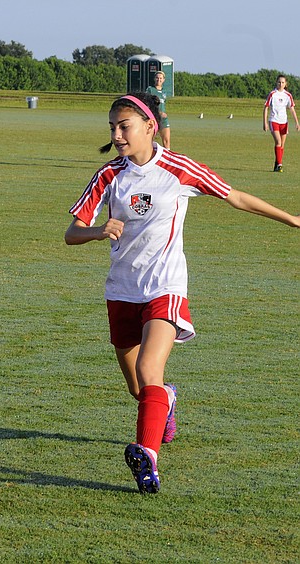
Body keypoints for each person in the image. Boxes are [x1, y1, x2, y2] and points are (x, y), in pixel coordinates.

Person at [65, 91, 300, 494]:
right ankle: (166, 400)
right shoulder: (109, 174)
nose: (118, 135)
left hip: (165, 286)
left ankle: (147, 458)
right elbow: (71, 233)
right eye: (112, 128)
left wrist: (291, 218)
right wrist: (97, 231)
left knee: (147, 371)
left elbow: (235, 196)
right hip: (122, 290)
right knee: (141, 391)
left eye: (125, 127)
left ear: (149, 127)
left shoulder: (179, 168)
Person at [263, 75, 300, 172]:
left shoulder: (288, 95)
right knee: (278, 142)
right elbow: (266, 107)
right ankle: (280, 164)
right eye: (279, 82)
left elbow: (292, 109)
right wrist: (265, 122)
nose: (281, 84)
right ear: (276, 82)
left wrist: (297, 122)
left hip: (284, 122)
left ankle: (276, 164)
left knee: (282, 145)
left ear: (285, 84)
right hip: (274, 120)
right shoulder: (272, 94)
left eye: (283, 82)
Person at [145, 71, 169, 148]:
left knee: (166, 141)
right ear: (154, 79)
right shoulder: (150, 90)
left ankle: (166, 159)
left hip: (163, 119)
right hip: (153, 118)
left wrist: (163, 113)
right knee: (149, 140)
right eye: (157, 78)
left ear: (164, 80)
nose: (159, 80)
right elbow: (147, 104)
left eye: (160, 78)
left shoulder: (164, 91)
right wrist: (158, 112)